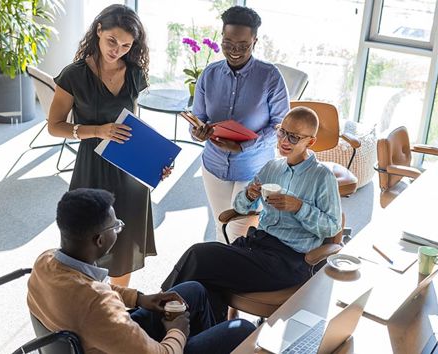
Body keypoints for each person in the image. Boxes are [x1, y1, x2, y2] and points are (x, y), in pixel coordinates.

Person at [162, 107, 342, 321]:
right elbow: (241, 207)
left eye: (294, 137)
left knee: (200, 255)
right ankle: (205, 336)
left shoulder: (322, 177)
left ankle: (156, 311)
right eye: (282, 132)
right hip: (256, 246)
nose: (285, 140)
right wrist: (249, 194)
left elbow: (332, 227)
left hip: (288, 260)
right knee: (206, 281)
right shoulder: (272, 168)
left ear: (310, 142)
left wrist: (299, 207)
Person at [27, 188, 255, 353]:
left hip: (95, 336)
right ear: (99, 240)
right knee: (242, 328)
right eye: (115, 227)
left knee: (193, 289)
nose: (119, 230)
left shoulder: (45, 262)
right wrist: (176, 332)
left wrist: (140, 299)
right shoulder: (99, 305)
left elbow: (91, 287)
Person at [47, 4, 168, 287]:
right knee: (86, 241)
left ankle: (118, 310)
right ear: (98, 30)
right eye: (112, 41)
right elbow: (55, 126)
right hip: (92, 168)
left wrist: (155, 162)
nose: (117, 50)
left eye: (126, 45)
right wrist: (97, 130)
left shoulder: (136, 73)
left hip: (128, 170)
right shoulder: (74, 75)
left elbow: (134, 125)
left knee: (124, 246)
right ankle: (89, 306)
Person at [191, 6, 290, 243]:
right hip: (214, 165)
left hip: (253, 168)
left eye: (243, 45)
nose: (234, 51)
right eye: (228, 43)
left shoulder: (270, 76)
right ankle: (218, 277)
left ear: (255, 41)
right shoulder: (209, 74)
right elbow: (198, 118)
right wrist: (198, 131)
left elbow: (281, 126)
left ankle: (235, 277)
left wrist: (243, 147)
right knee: (221, 225)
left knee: (239, 233)